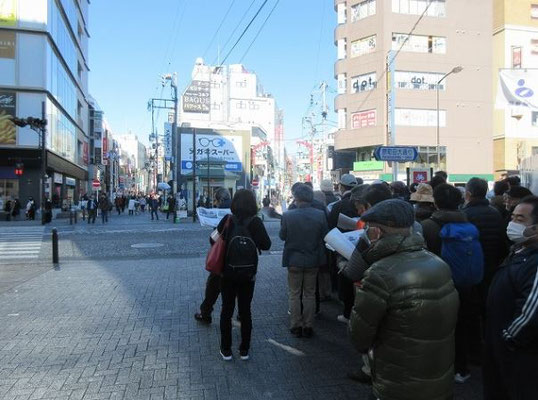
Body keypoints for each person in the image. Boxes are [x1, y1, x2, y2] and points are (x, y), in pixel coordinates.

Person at [350, 199, 459, 400]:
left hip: (398, 377)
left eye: (369, 229)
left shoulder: (379, 273)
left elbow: (359, 336)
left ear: (378, 232)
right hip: (439, 371)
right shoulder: (438, 263)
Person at [421, 183, 477, 383]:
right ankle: (461, 368)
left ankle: (437, 368)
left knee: (436, 328)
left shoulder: (428, 226)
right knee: (460, 324)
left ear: (435, 202)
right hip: (463, 282)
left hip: (436, 283)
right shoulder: (468, 223)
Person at [484, 196, 538, 400]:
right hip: (503, 347)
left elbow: (531, 311)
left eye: (520, 219)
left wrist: (508, 337)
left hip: (520, 353)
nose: (512, 224)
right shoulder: (519, 250)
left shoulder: (534, 261)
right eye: (513, 217)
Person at [217, 189, 271, 361]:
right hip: (248, 273)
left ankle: (226, 349)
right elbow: (267, 245)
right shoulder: (255, 222)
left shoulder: (227, 220)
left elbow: (214, 240)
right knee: (245, 310)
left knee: (226, 310)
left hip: (227, 272)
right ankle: (244, 350)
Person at [280, 184, 328, 338]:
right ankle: (308, 325)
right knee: (310, 293)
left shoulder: (288, 215)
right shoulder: (320, 214)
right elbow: (325, 235)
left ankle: (296, 325)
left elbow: (282, 236)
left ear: (296, 198)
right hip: (313, 258)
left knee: (294, 293)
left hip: (293, 259)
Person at [194, 188, 233, 324]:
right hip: (239, 257)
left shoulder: (221, 211)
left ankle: (206, 313)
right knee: (238, 288)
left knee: (213, 286)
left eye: (215, 200)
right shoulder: (237, 209)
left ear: (218, 199)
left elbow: (214, 238)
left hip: (222, 257)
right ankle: (241, 315)